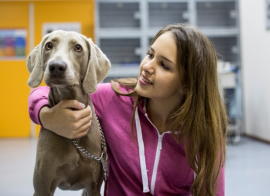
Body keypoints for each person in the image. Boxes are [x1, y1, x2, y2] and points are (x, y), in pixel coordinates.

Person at [28, 24, 227, 196]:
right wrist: (46, 116)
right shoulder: (114, 99)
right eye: (150, 54)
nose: (147, 66)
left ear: (187, 84)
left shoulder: (206, 132)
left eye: (164, 65)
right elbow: (46, 92)